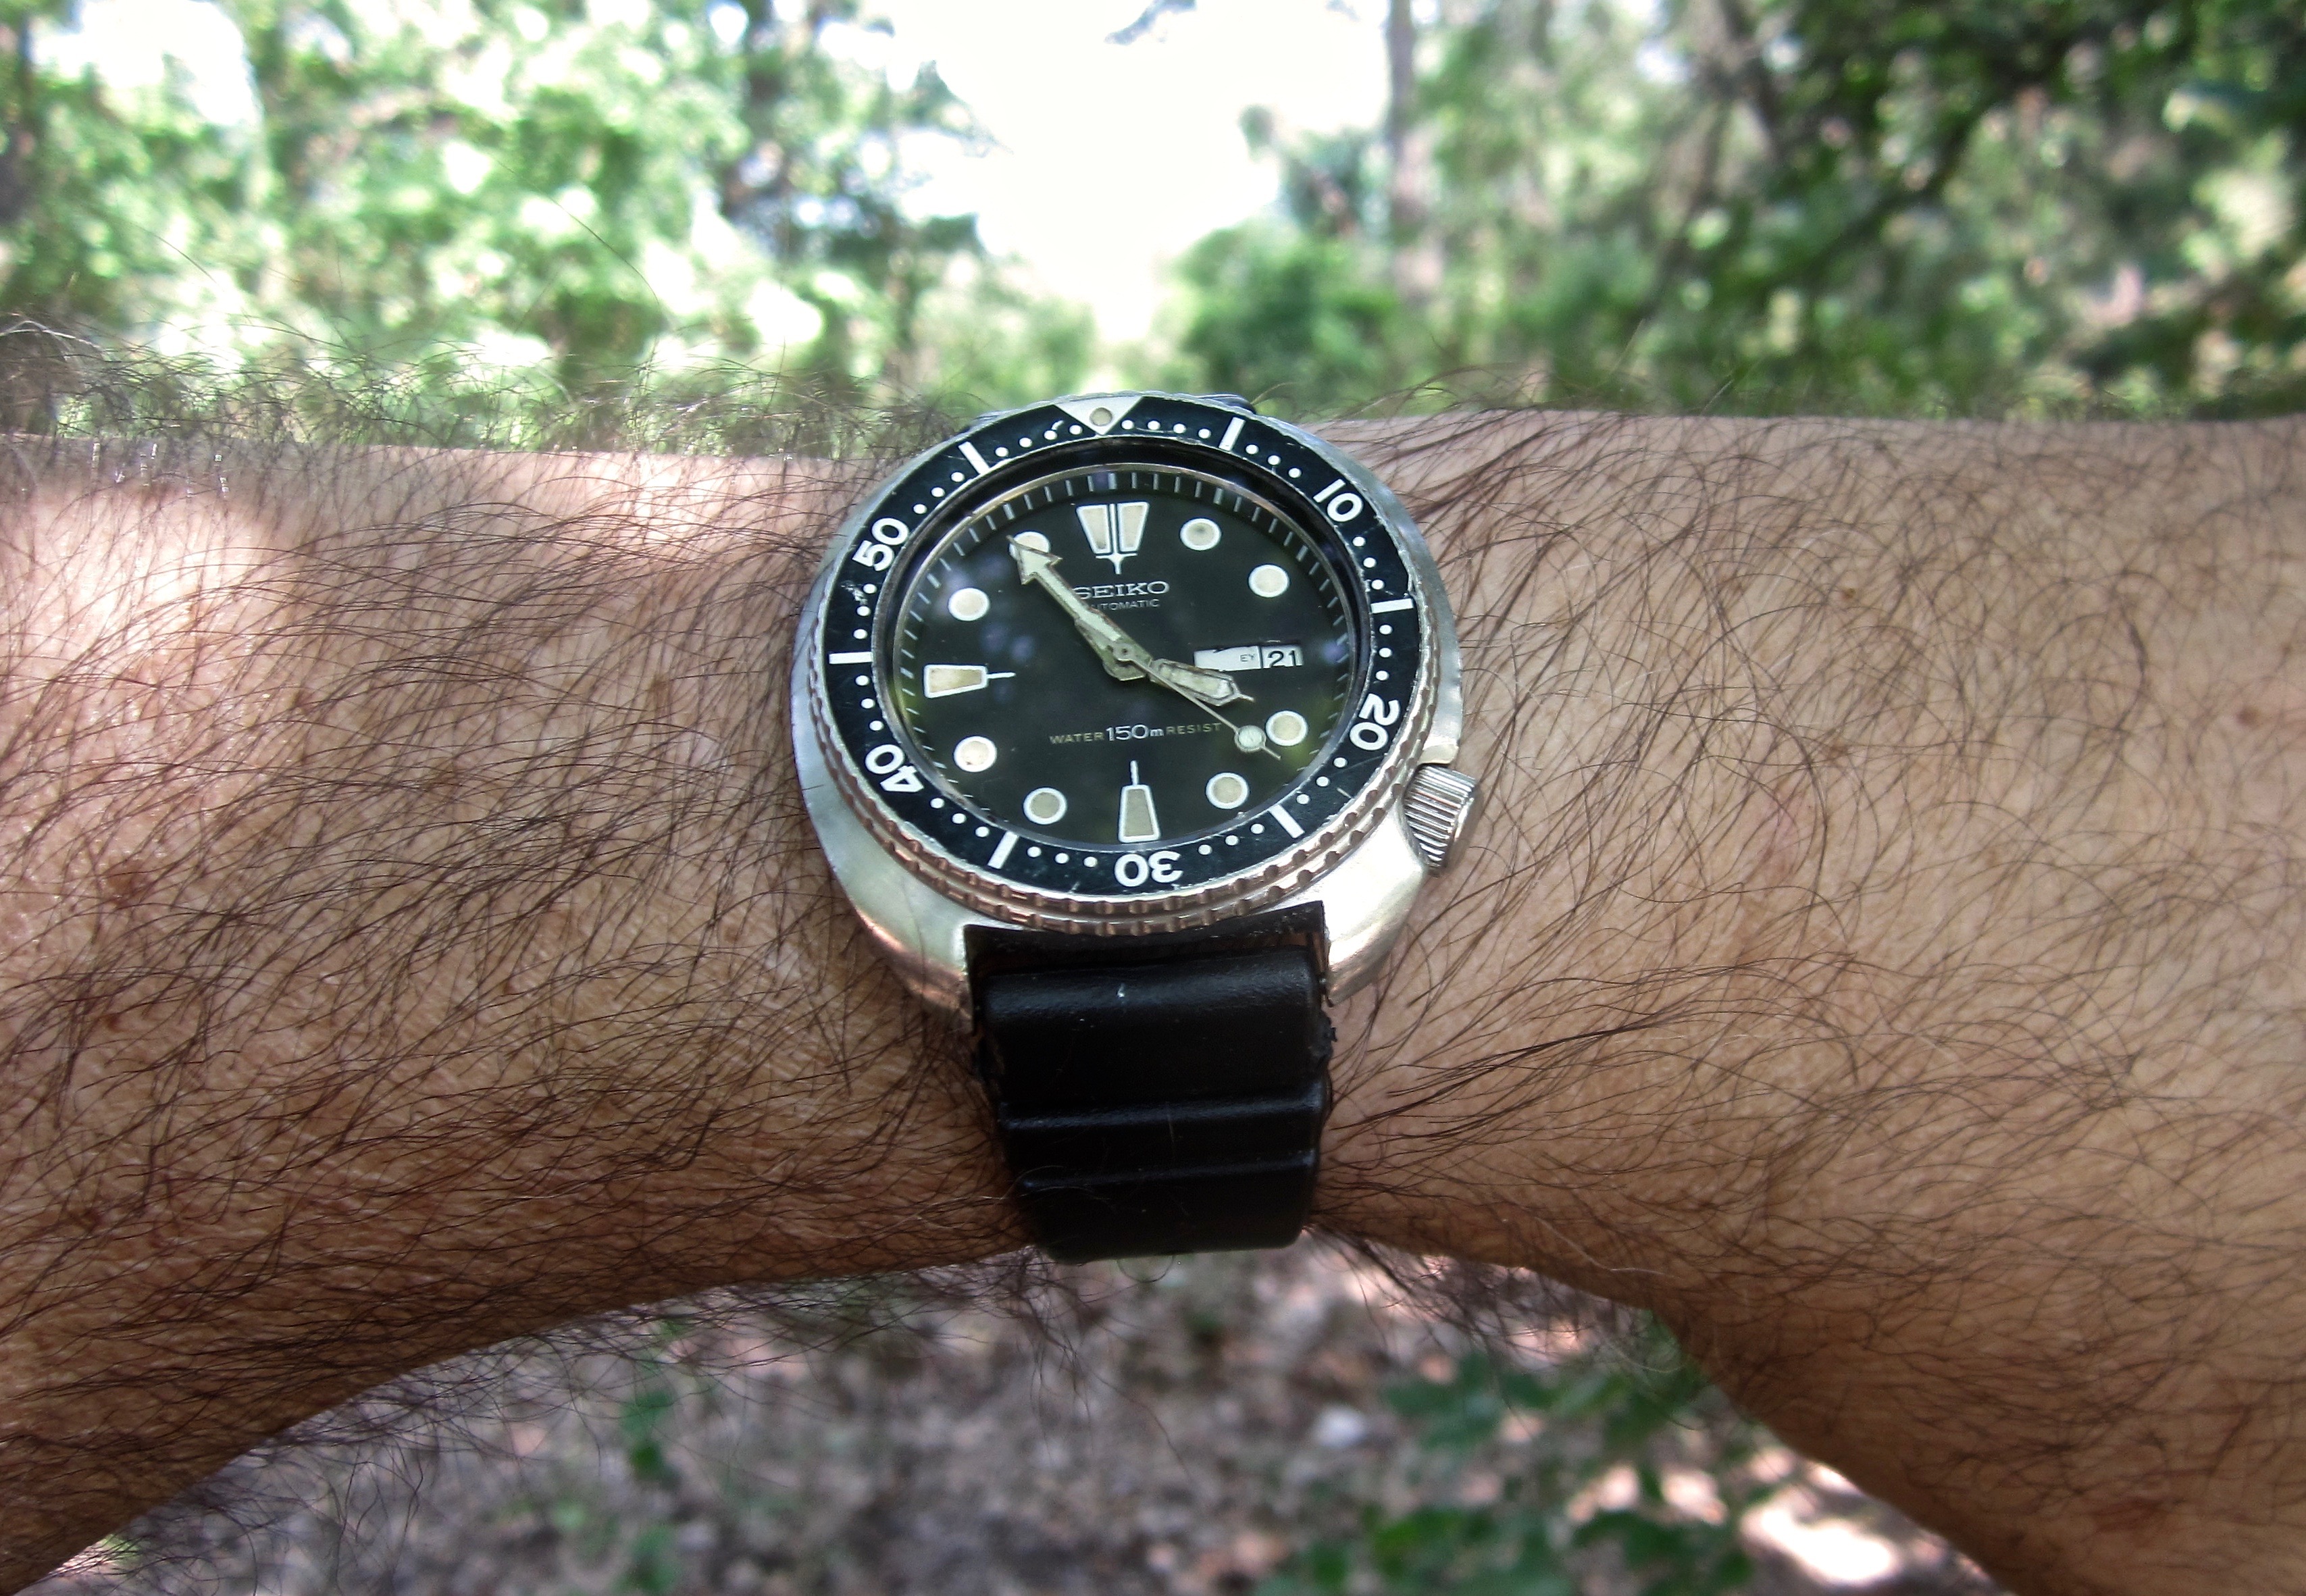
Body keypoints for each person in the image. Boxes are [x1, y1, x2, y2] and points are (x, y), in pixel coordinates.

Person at [2, 398, 2301, 1596]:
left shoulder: (1360, 696)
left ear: (1429, 742)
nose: (1108, 646)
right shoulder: (915, 704)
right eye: (1082, 630)